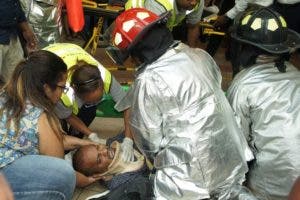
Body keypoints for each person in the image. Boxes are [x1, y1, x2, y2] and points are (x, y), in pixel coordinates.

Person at [110, 8, 256, 199]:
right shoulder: (199, 55)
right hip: (231, 156)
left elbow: (149, 143)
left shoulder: (148, 80)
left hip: (192, 179)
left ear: (137, 51)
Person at [227, 8, 300, 200]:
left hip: (273, 186)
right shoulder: (296, 74)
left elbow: (236, 144)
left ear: (244, 48)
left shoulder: (243, 84)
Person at [0, 50, 76, 200]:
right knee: (63, 175)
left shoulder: (5, 95)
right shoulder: (41, 117)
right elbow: (55, 169)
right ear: (47, 87)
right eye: (62, 87)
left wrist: (83, 142)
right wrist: (84, 178)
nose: (62, 93)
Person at [43, 43, 135, 162]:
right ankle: (66, 151)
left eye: (99, 98)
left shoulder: (105, 77)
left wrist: (128, 139)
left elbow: (127, 106)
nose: (97, 102)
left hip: (72, 50)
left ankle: (74, 144)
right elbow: (68, 116)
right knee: (58, 122)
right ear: (76, 92)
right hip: (49, 58)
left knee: (89, 111)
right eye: (90, 100)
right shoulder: (61, 92)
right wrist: (91, 134)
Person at [73, 140, 153, 200]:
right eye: (99, 159)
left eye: (98, 147)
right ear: (98, 175)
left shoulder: (114, 140)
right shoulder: (119, 182)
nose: (105, 150)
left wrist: (128, 139)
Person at [0, 0, 37, 84]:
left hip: (11, 35)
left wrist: (26, 29)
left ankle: (15, 95)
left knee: (18, 78)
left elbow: (14, 4)